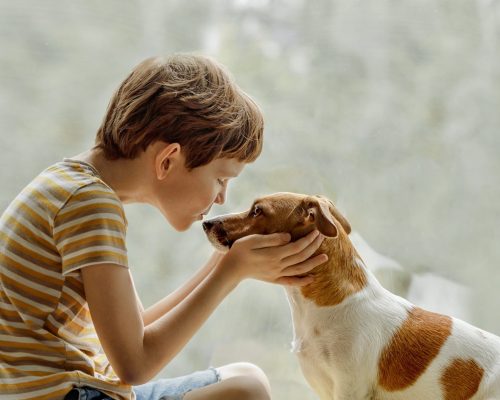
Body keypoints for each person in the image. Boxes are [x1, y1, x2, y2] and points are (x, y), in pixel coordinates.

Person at [0, 54, 327, 400]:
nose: (221, 198)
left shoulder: (70, 186)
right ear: (168, 160)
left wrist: (222, 264)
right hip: (67, 394)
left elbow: (135, 331)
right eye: (220, 179)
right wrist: (228, 275)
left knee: (245, 379)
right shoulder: (91, 206)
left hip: (71, 388)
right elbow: (135, 365)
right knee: (247, 389)